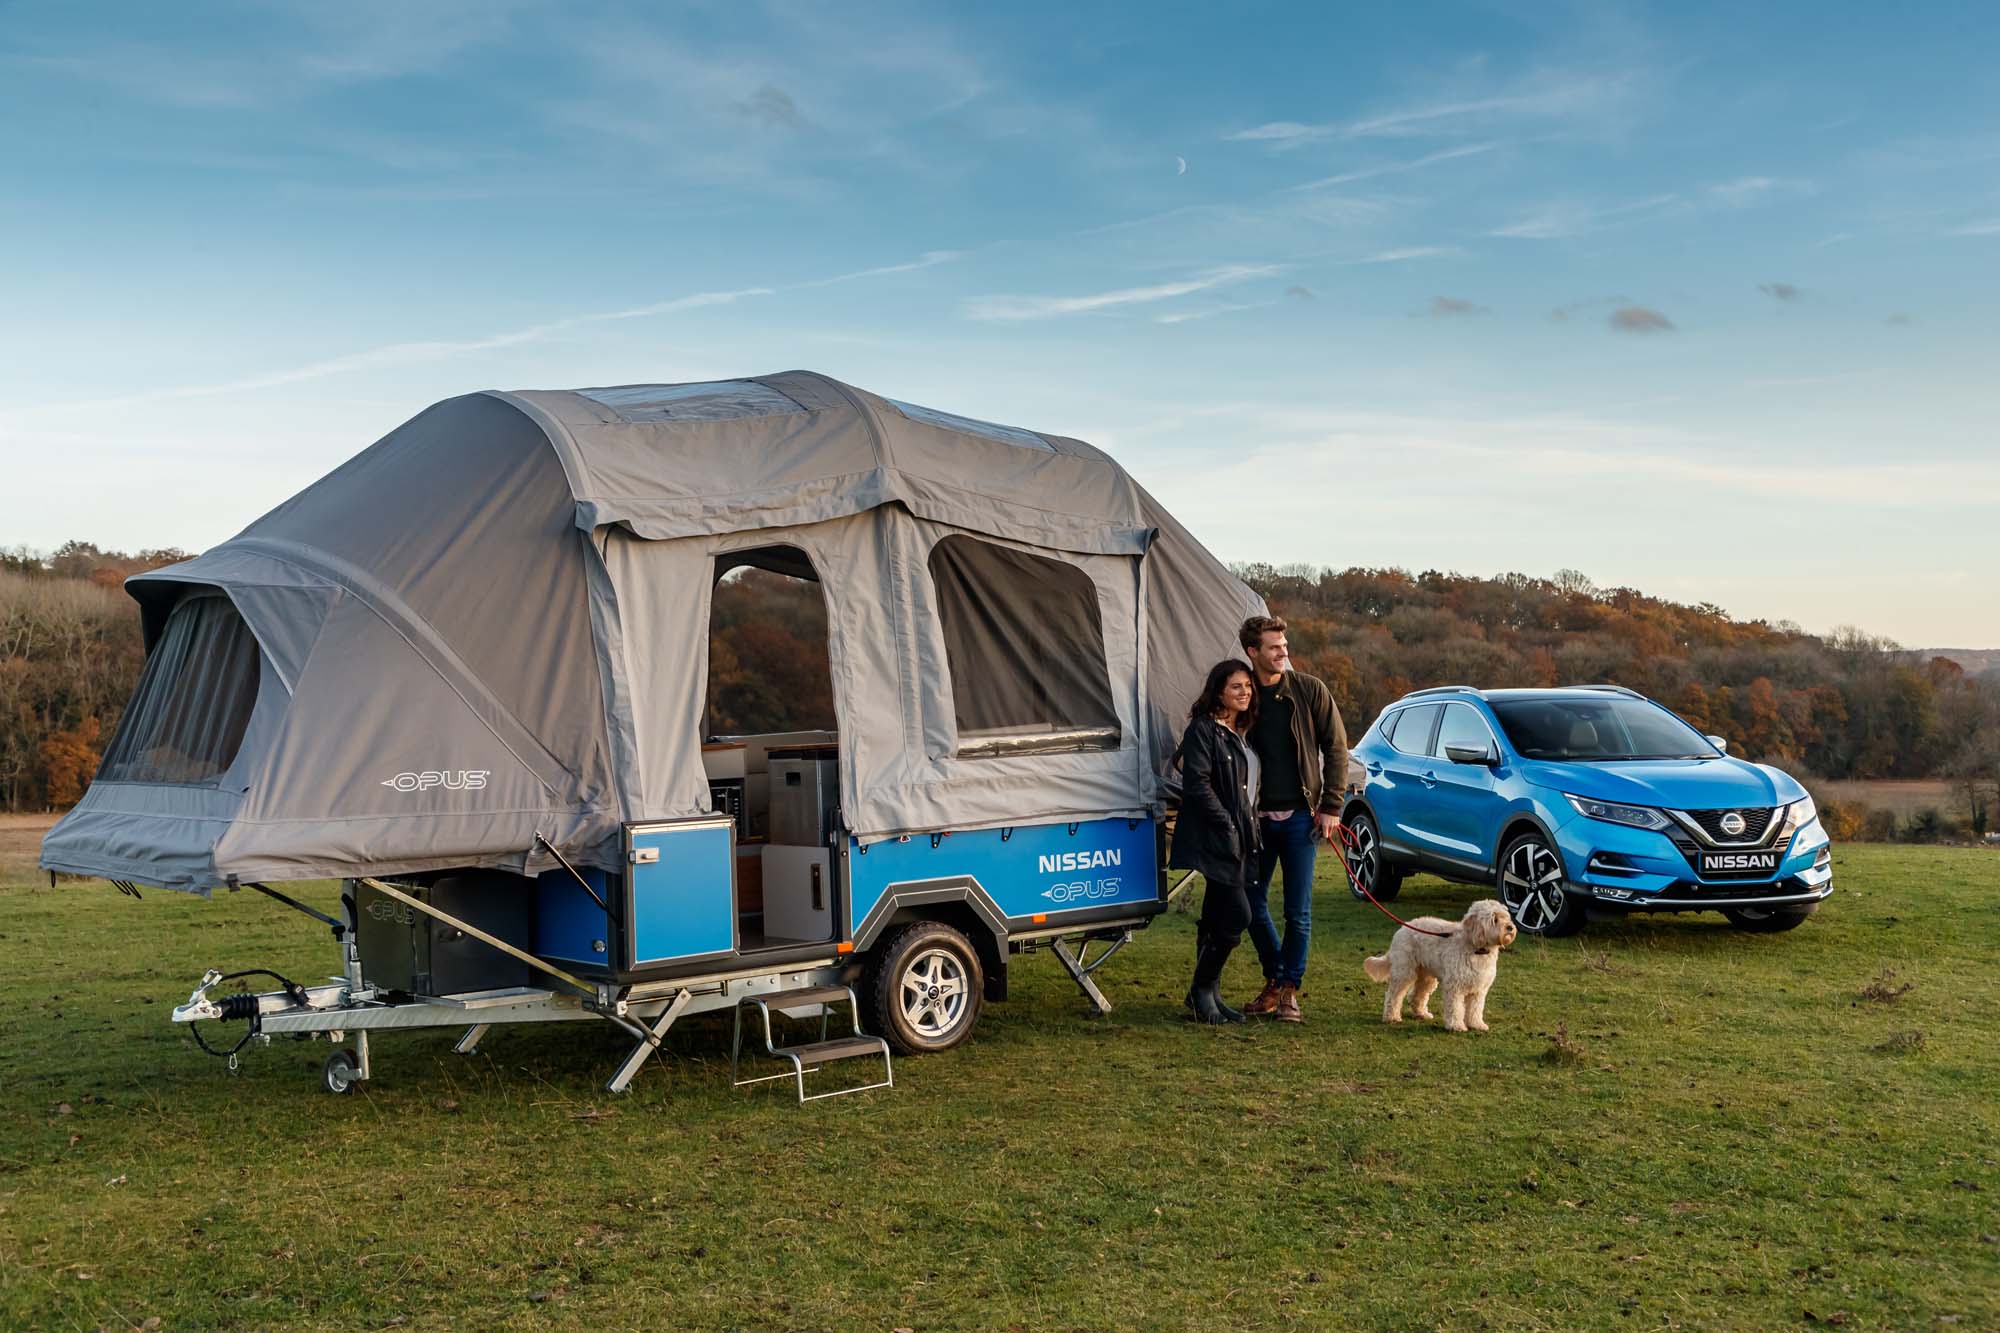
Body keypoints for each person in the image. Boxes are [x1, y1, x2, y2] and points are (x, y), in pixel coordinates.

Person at [1238, 615, 1350, 1023]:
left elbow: (1336, 749)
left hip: (1302, 818)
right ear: (1253, 652)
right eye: (1273, 647)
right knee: (1250, 902)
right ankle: (1276, 976)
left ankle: (1288, 992)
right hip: (1255, 820)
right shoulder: (1242, 693)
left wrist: (1332, 806)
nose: (1283, 652)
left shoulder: (1307, 690)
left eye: (1284, 645)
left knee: (1297, 911)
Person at [1168, 659, 1261, 1024]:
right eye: (1237, 686)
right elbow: (1198, 785)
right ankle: (1201, 990)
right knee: (1239, 914)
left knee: (1214, 916)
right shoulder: (1203, 730)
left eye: (1248, 687)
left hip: (1240, 836)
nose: (1245, 692)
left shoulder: (1241, 732)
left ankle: (1208, 995)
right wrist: (1226, 825)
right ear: (1218, 690)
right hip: (1216, 838)